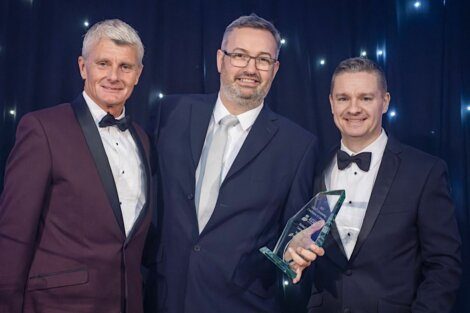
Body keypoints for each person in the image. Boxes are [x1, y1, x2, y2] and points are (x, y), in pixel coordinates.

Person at [147, 13, 323, 313]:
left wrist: (294, 251)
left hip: (241, 304)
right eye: (240, 56)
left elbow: (291, 236)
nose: (250, 69)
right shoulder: (171, 112)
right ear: (220, 60)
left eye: (263, 60)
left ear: (275, 69)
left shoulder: (298, 145)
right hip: (163, 296)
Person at [0, 19, 152, 313]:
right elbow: (13, 234)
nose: (114, 76)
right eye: (103, 63)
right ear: (83, 67)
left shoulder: (143, 140)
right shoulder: (43, 128)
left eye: (125, 67)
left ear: (139, 74)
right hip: (57, 305)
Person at [306, 57, 461, 313]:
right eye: (343, 98)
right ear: (331, 103)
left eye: (366, 98)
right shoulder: (312, 167)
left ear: (385, 102)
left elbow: (444, 266)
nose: (353, 108)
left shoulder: (425, 171)